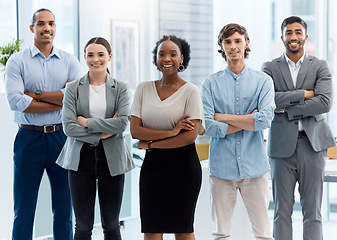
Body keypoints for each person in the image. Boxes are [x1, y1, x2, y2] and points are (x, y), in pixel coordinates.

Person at [5, 8, 82, 240]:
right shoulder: (17, 61)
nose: (46, 28)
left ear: (55, 27)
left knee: (64, 210)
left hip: (62, 139)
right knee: (24, 210)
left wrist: (36, 95)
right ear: (32, 28)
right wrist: (59, 99)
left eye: (51, 23)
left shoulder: (70, 60)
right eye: (41, 23)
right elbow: (16, 101)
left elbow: (76, 98)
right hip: (29, 140)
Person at [261, 16, 335, 240]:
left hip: (313, 145)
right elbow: (268, 101)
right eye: (289, 32)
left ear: (305, 36)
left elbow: (325, 102)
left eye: (298, 32)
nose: (293, 37)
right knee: (281, 212)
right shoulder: (269, 68)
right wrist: (303, 94)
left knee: (312, 212)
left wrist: (288, 109)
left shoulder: (320, 65)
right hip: (281, 148)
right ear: (282, 36)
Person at [201, 23, 275, 240]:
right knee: (220, 233)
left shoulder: (263, 81)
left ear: (246, 43)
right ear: (221, 47)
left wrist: (222, 117)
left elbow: (264, 120)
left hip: (255, 169)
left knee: (263, 234)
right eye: (227, 42)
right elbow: (207, 126)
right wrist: (248, 120)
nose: (233, 46)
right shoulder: (210, 84)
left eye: (237, 41)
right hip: (222, 169)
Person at [56, 37, 135, 240]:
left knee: (111, 224)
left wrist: (87, 123)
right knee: (82, 226)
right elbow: (69, 128)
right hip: (80, 159)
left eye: (100, 54)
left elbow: (122, 124)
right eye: (90, 54)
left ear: (109, 57)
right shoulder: (73, 88)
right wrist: (104, 131)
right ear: (84, 57)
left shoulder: (122, 88)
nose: (95, 59)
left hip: (113, 159)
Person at [130, 35, 205, 240]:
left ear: (182, 59)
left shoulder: (191, 91)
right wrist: (170, 132)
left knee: (183, 230)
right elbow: (135, 131)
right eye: (161, 54)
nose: (166, 58)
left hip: (183, 168)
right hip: (152, 168)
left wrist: (150, 143)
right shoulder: (143, 89)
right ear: (156, 58)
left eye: (173, 54)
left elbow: (188, 137)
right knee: (152, 230)